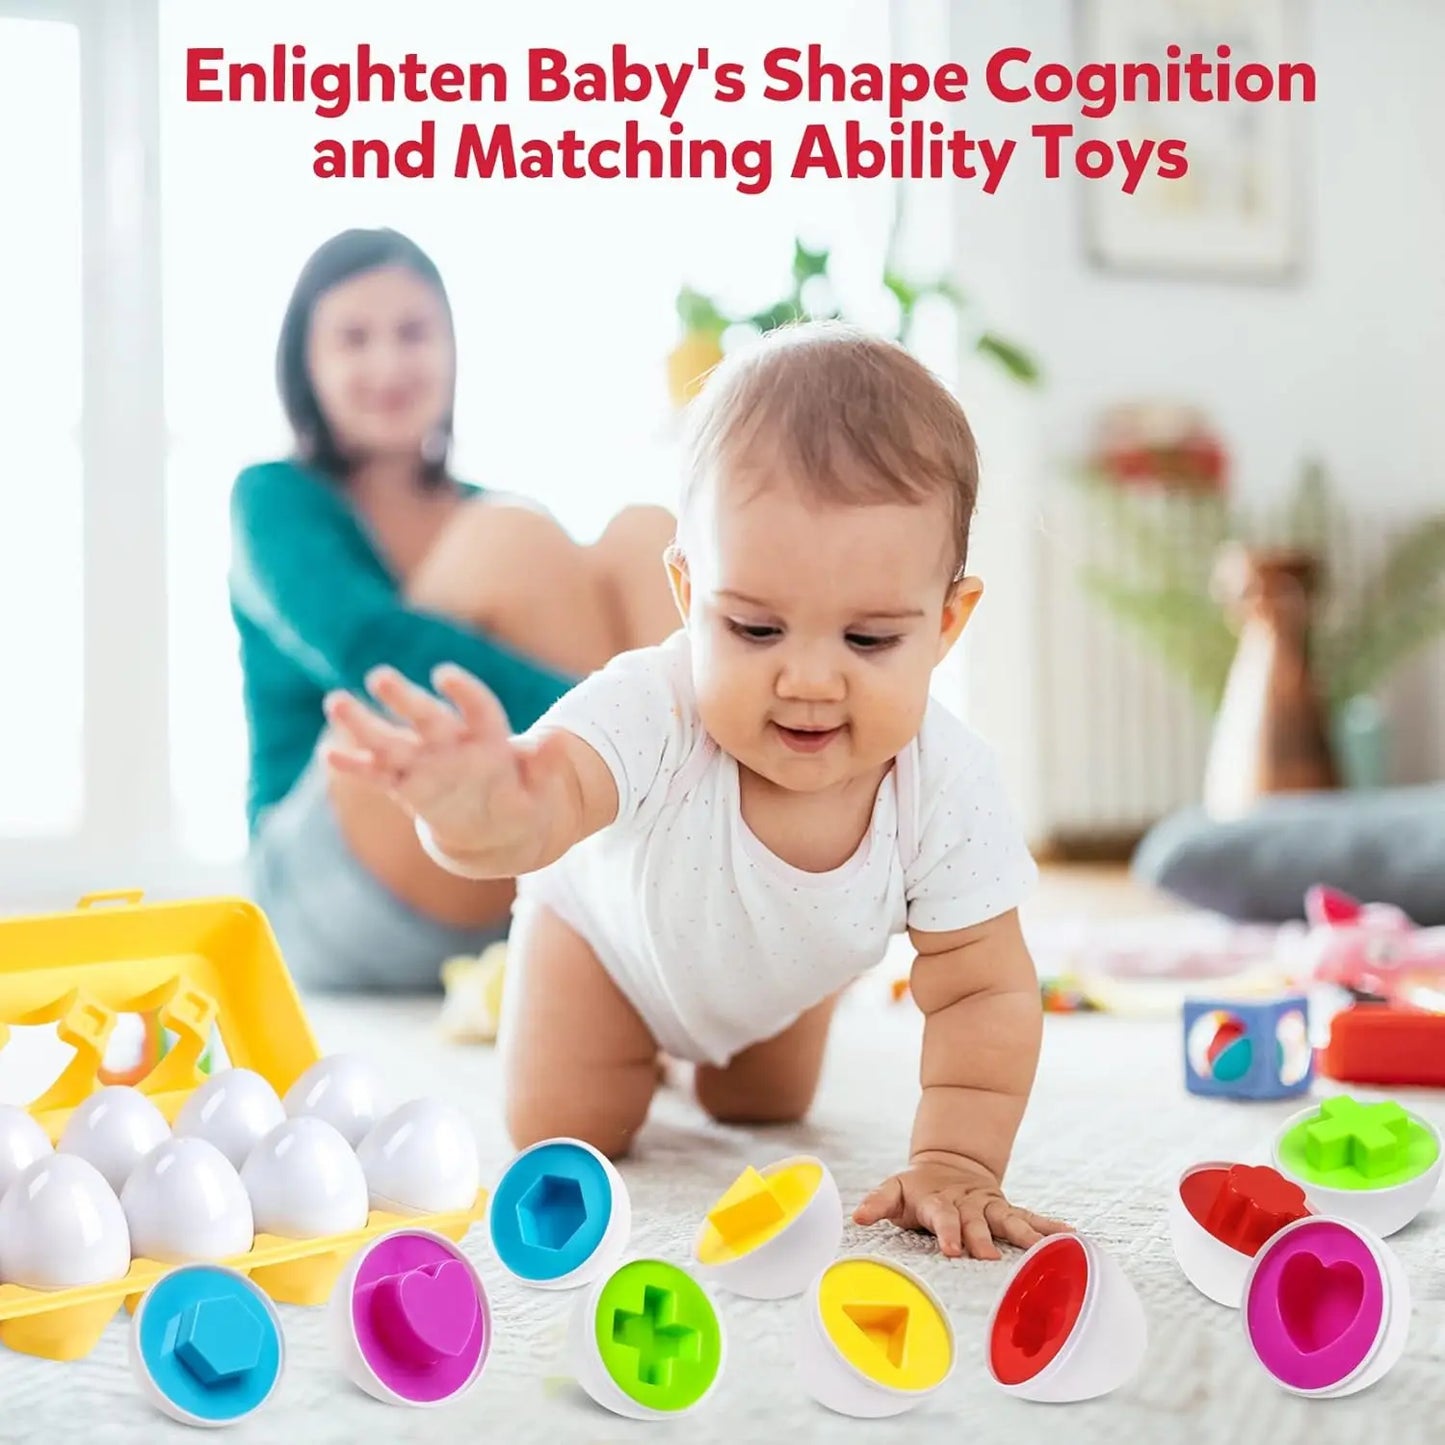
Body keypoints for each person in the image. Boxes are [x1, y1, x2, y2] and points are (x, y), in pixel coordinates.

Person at [324, 320, 1071, 1259]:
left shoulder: (949, 786)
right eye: (755, 629)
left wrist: (958, 1159)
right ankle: (596, 1032)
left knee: (762, 1108)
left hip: (782, 979)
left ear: (946, 623)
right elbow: (547, 798)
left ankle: (718, 1057)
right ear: (687, 592)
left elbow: (980, 993)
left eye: (869, 640)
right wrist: (479, 808)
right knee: (571, 1127)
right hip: (607, 948)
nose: (808, 679)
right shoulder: (655, 706)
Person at [231, 227, 678, 992]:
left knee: (646, 535)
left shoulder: (479, 512)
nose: (388, 363)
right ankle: (679, 803)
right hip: (321, 884)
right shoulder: (275, 497)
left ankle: (683, 882)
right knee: (514, 536)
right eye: (353, 337)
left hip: (495, 853)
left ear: (450, 350)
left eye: (413, 333)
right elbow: (368, 642)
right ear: (307, 364)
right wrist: (624, 741)